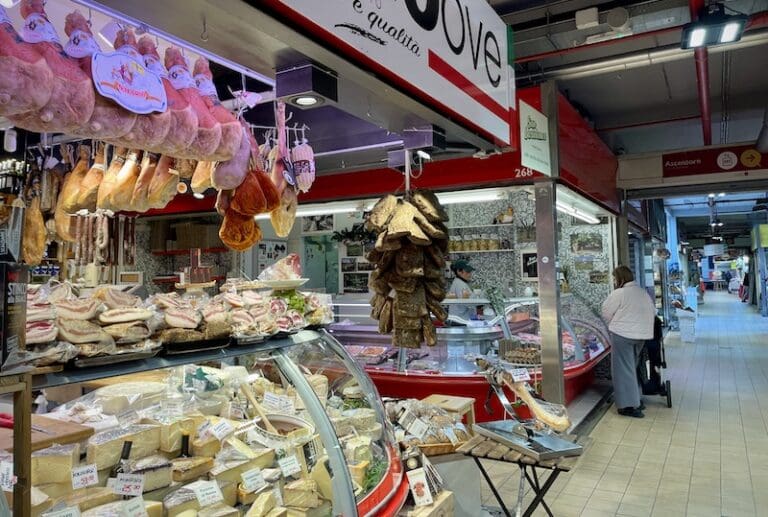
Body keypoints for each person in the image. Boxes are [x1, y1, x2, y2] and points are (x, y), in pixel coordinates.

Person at [602, 266, 656, 418]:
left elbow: (606, 311)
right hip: (641, 336)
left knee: (622, 371)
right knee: (632, 367)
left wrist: (616, 323)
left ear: (620, 278)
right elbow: (653, 312)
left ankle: (628, 406)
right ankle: (636, 399)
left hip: (622, 335)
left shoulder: (620, 293)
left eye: (614, 278)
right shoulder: (642, 293)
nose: (613, 281)